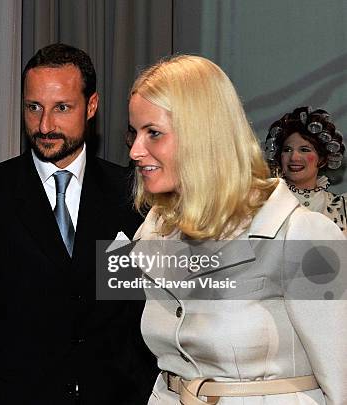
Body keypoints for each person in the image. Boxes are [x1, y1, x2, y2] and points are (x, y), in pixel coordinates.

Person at [0, 43, 157, 405]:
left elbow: (135, 315)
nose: (45, 125)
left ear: (92, 106)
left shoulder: (131, 196)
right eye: (33, 107)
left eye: (62, 108)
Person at [127, 55, 346, 404]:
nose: (137, 151)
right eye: (134, 133)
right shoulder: (155, 233)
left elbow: (342, 379)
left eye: (153, 133)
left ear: (202, 133)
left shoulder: (301, 235)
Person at [264, 106, 347, 234]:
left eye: (304, 150)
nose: (294, 157)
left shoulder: (342, 207)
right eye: (287, 150)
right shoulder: (263, 202)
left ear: (323, 159)